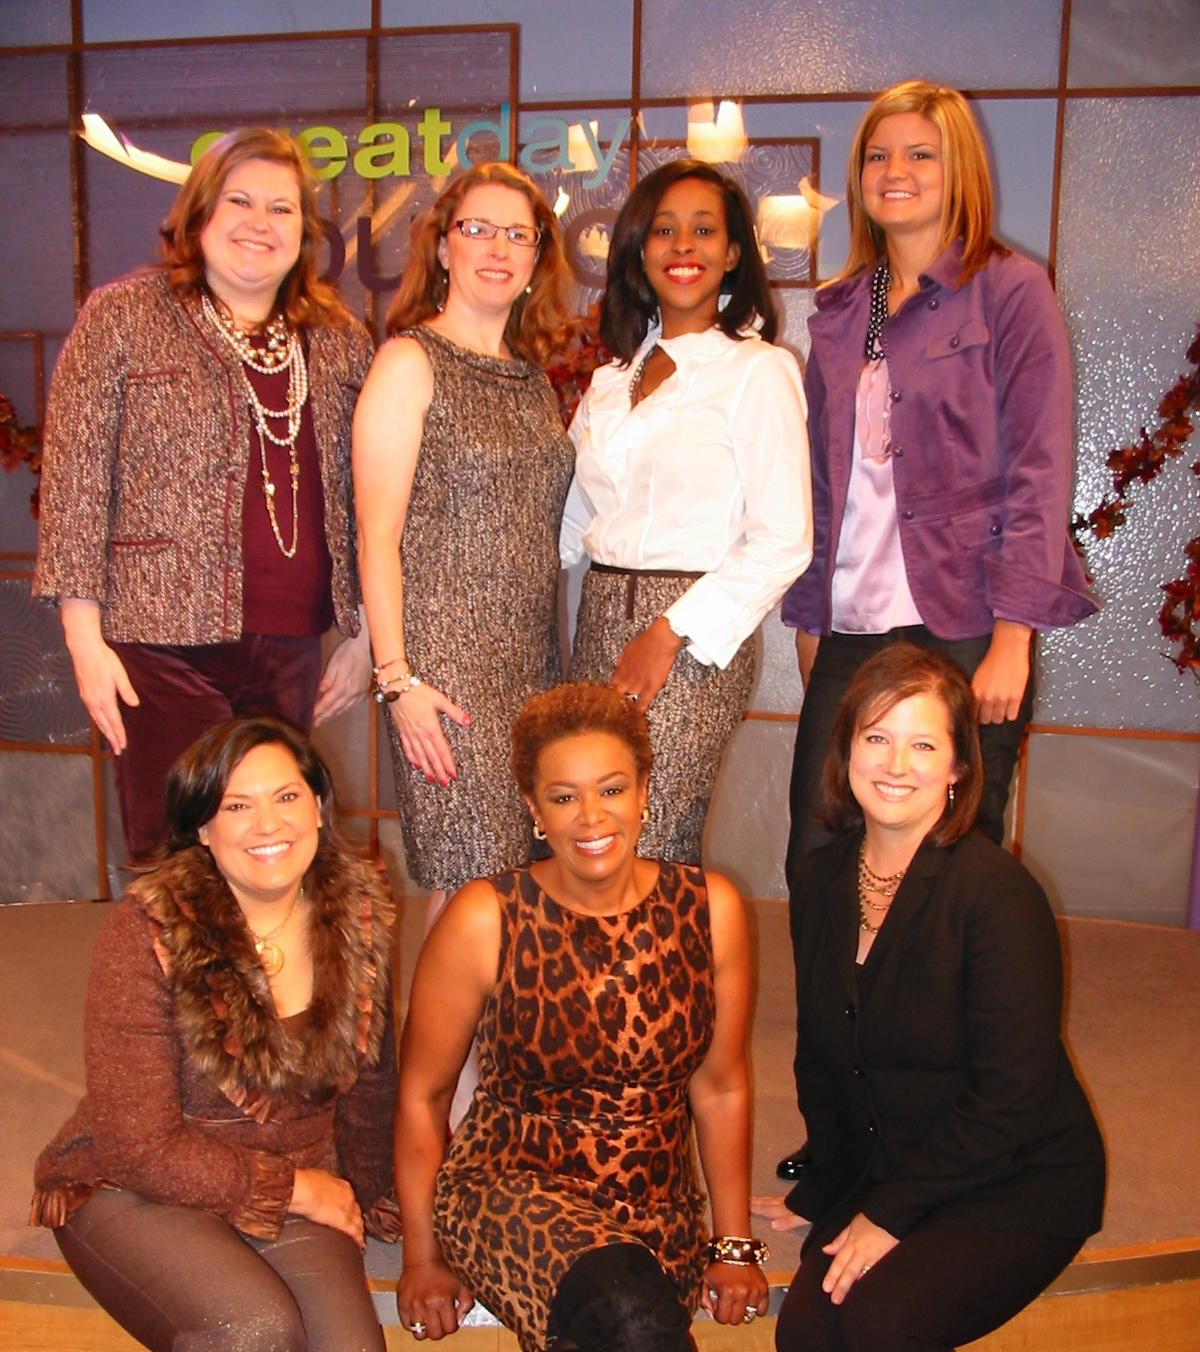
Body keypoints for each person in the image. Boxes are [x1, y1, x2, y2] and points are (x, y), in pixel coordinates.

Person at [385, 681, 768, 1352]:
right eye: (564, 796)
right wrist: (424, 1254)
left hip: (651, 1206)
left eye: (612, 789)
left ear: (646, 791)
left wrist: (731, 1243)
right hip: (507, 1186)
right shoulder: (486, 915)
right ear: (532, 808)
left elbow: (720, 1085)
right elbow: (422, 1097)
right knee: (630, 1316)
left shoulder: (710, 907)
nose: (591, 817)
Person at [760, 643, 1114, 1352]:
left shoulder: (994, 894)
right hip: (895, 1167)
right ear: (845, 749)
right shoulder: (824, 879)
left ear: (960, 766)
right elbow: (827, 1054)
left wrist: (887, 1215)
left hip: (1020, 1177)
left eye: (924, 745)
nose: (897, 764)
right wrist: (823, 1187)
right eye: (877, 737)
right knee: (806, 1339)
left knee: (883, 1326)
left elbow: (1013, 1095)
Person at [30, 715, 399, 1352]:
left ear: (319, 806)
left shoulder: (355, 912)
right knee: (250, 1329)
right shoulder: (148, 929)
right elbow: (137, 1142)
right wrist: (296, 1188)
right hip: (131, 1185)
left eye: (286, 796)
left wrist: (385, 1202)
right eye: (237, 806)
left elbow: (372, 1081)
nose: (267, 823)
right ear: (201, 827)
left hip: (292, 1179)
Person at [782, 80, 1097, 875]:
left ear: (960, 170)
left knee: (952, 857)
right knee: (820, 846)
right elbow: (824, 484)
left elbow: (1038, 470)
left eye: (921, 154)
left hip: (967, 620)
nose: (896, 171)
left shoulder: (1011, 289)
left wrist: (1014, 637)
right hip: (852, 622)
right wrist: (811, 615)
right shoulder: (842, 310)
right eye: (878, 156)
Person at [34, 127, 375, 861]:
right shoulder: (124, 314)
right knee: (180, 851)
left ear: (304, 232)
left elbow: (371, 497)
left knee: (272, 849)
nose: (260, 223)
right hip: (158, 641)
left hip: (292, 643)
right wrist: (83, 637)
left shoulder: (339, 337)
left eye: (282, 209)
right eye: (239, 202)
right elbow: (75, 480)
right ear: (198, 215)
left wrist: (365, 635)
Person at [562, 157, 812, 863]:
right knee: (591, 833)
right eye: (664, 229)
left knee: (650, 832)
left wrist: (668, 632)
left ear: (733, 254)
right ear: (640, 250)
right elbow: (573, 519)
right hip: (598, 616)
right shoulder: (609, 380)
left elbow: (784, 539)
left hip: (691, 632)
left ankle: (670, 943)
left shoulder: (757, 371)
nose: (683, 246)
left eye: (704, 230)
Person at [354, 161, 575, 922]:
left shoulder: (534, 380)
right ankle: (452, 1014)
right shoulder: (409, 362)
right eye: (477, 228)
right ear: (443, 247)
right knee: (472, 881)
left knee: (518, 883)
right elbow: (376, 536)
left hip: (532, 664)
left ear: (537, 256)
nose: (497, 247)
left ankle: (496, 1014)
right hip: (443, 673)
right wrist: (397, 681)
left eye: (518, 234)